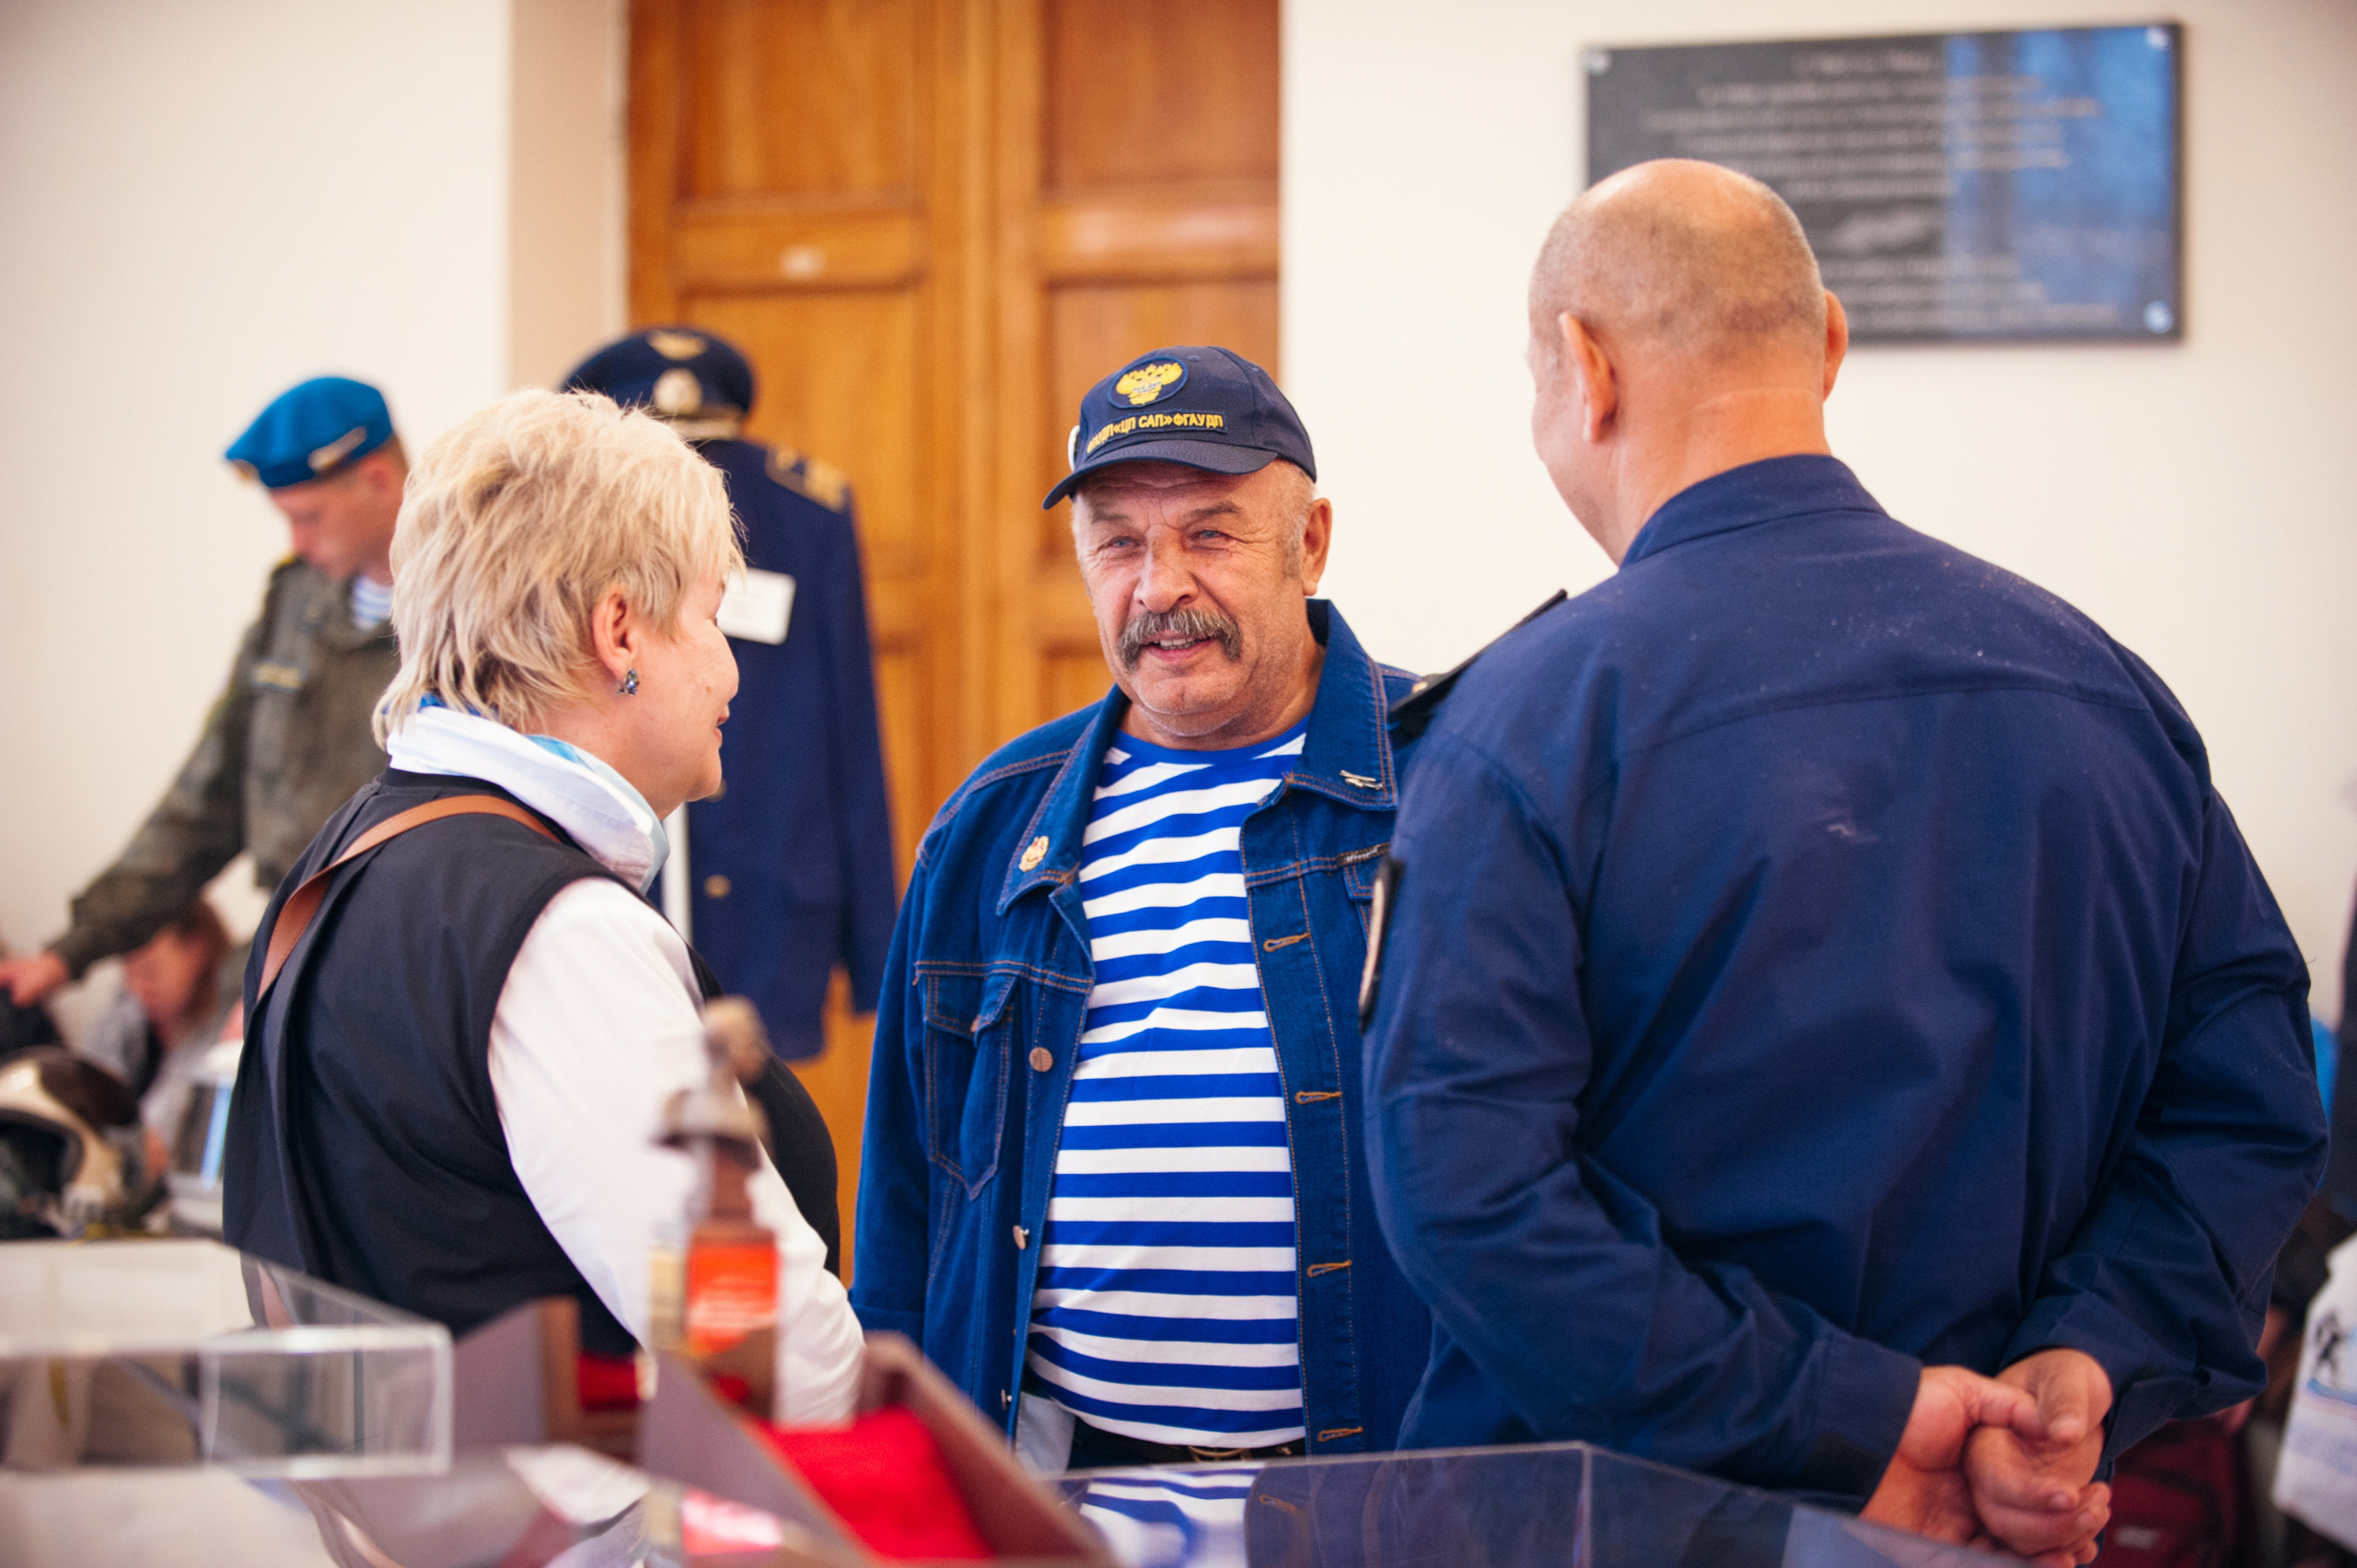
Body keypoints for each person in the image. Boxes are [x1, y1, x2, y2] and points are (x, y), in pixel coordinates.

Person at [1360, 159, 2328, 1565]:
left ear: (1586, 368)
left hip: (1608, 1526)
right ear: (1828, 342)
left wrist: (1857, 1422)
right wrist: (2085, 1361)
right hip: (2001, 1519)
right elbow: (2252, 1101)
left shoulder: (1528, 722)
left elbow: (1471, 1193)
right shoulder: (2105, 691)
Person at [221, 389, 863, 1421]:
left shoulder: (348, 857)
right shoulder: (559, 933)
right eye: (709, 615)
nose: (730, 670)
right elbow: (770, 1358)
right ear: (620, 631)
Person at [853, 346, 1431, 1468]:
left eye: (1209, 533)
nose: (1159, 587)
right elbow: (905, 1212)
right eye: (1118, 541)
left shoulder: (1453, 775)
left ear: (1309, 542)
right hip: (1070, 1475)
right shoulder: (990, 826)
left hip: (1388, 1486)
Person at [0, 377, 402, 1009]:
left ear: (378, 479)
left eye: (308, 517)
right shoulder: (294, 604)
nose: (297, 542)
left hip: (390, 961)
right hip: (288, 950)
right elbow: (207, 796)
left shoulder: (463, 612)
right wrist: (70, 951)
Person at [561, 328, 896, 1061]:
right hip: (625, 889)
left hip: (774, 897)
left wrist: (876, 949)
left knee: (757, 1113)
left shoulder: (801, 511)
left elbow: (853, 731)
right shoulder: (577, 522)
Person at [74, 897, 239, 1168]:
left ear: (196, 952)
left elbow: (163, 1147)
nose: (139, 987)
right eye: (130, 972)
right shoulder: (124, 1018)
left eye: (151, 972)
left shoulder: (230, 1030)